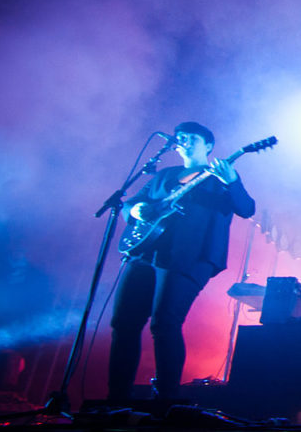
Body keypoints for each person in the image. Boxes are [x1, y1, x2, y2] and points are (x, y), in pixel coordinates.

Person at [108, 122, 255, 401]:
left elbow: (246, 208)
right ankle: (116, 398)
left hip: (188, 258)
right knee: (123, 324)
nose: (183, 140)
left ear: (208, 146)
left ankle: (167, 400)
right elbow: (131, 203)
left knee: (164, 324)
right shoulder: (164, 175)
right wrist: (136, 210)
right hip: (144, 253)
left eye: (191, 137)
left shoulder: (218, 178)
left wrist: (232, 181)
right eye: (181, 137)